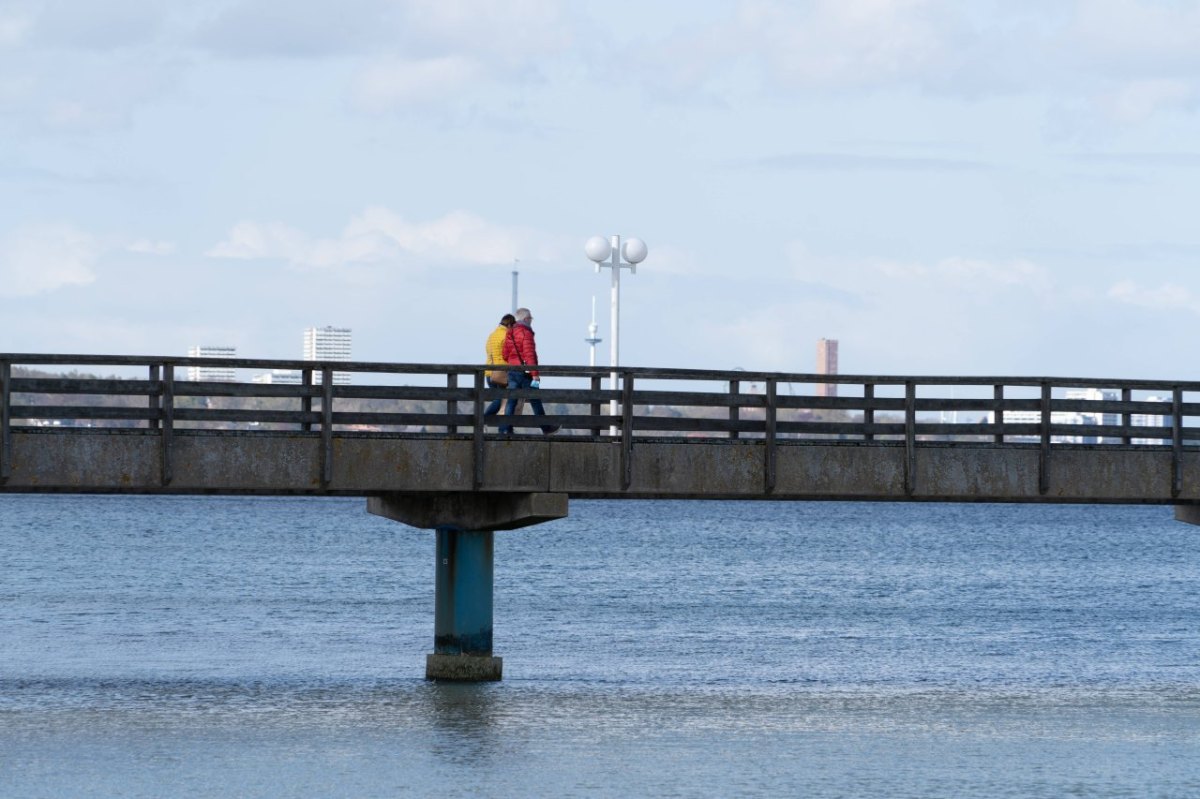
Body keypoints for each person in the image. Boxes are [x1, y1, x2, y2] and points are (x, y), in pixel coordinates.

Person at [500, 307, 559, 435]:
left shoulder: (510, 332)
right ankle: (545, 427)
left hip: (512, 370)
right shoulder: (526, 333)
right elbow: (529, 354)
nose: (531, 321)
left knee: (511, 400)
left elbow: (504, 354)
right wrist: (535, 375)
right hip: (525, 373)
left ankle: (506, 429)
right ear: (526, 319)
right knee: (535, 399)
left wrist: (513, 361)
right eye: (531, 318)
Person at [484, 313, 515, 420]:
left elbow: (489, 352)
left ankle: (483, 422)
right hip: (500, 373)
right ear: (510, 325)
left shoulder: (492, 335)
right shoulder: (506, 336)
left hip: (489, 373)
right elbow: (509, 355)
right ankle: (482, 420)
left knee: (498, 399)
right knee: (500, 400)